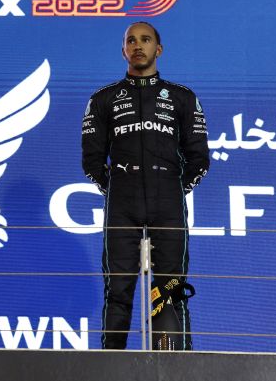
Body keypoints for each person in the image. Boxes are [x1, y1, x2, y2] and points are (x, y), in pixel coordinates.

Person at [81, 21, 209, 349]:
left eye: (146, 39)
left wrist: (174, 188)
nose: (138, 45)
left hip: (168, 202)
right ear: (123, 50)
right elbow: (92, 160)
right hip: (122, 205)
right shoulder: (103, 99)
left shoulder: (183, 97)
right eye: (131, 41)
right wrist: (116, 187)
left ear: (158, 49)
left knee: (170, 290)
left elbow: (199, 158)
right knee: (118, 291)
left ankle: (174, 365)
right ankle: (112, 366)